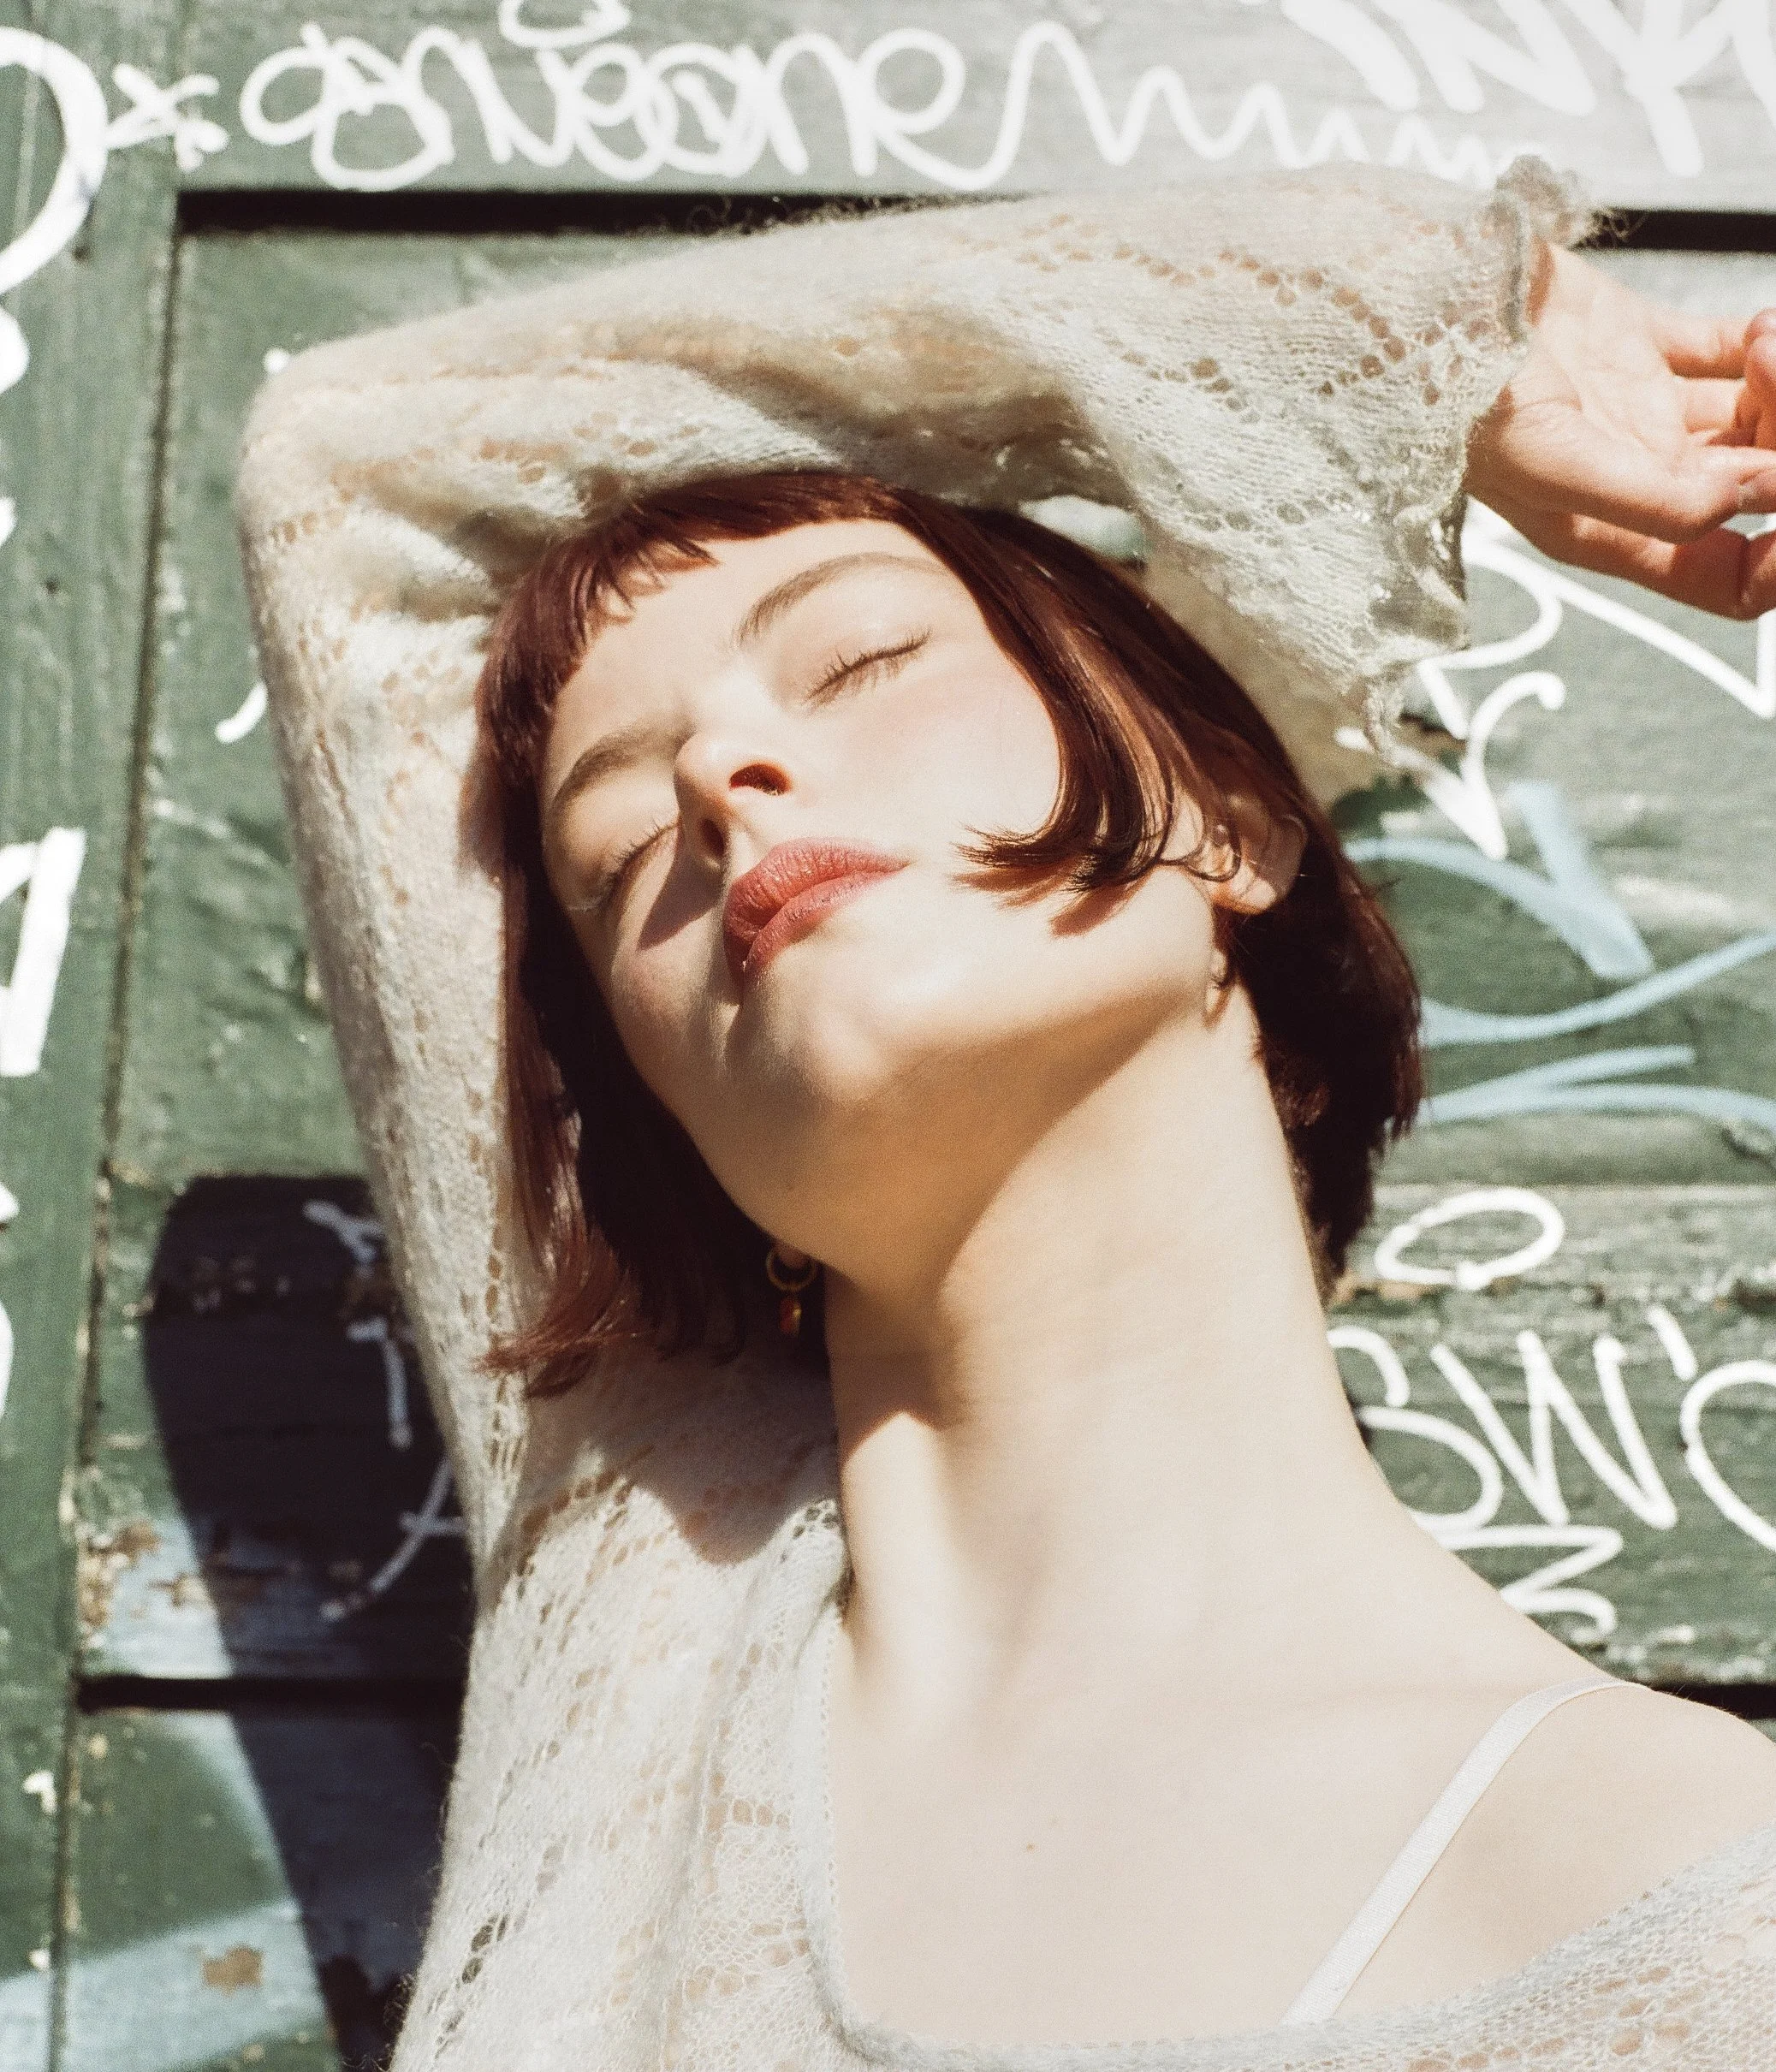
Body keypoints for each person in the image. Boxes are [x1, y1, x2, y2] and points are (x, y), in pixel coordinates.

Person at [238, 163, 1776, 2067]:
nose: (719, 770)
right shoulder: (641, 1567)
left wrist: (1425, 333)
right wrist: (1406, 322)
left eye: (864, 658)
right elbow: (347, 477)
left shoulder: (1695, 1924)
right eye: (617, 837)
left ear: (1229, 814)